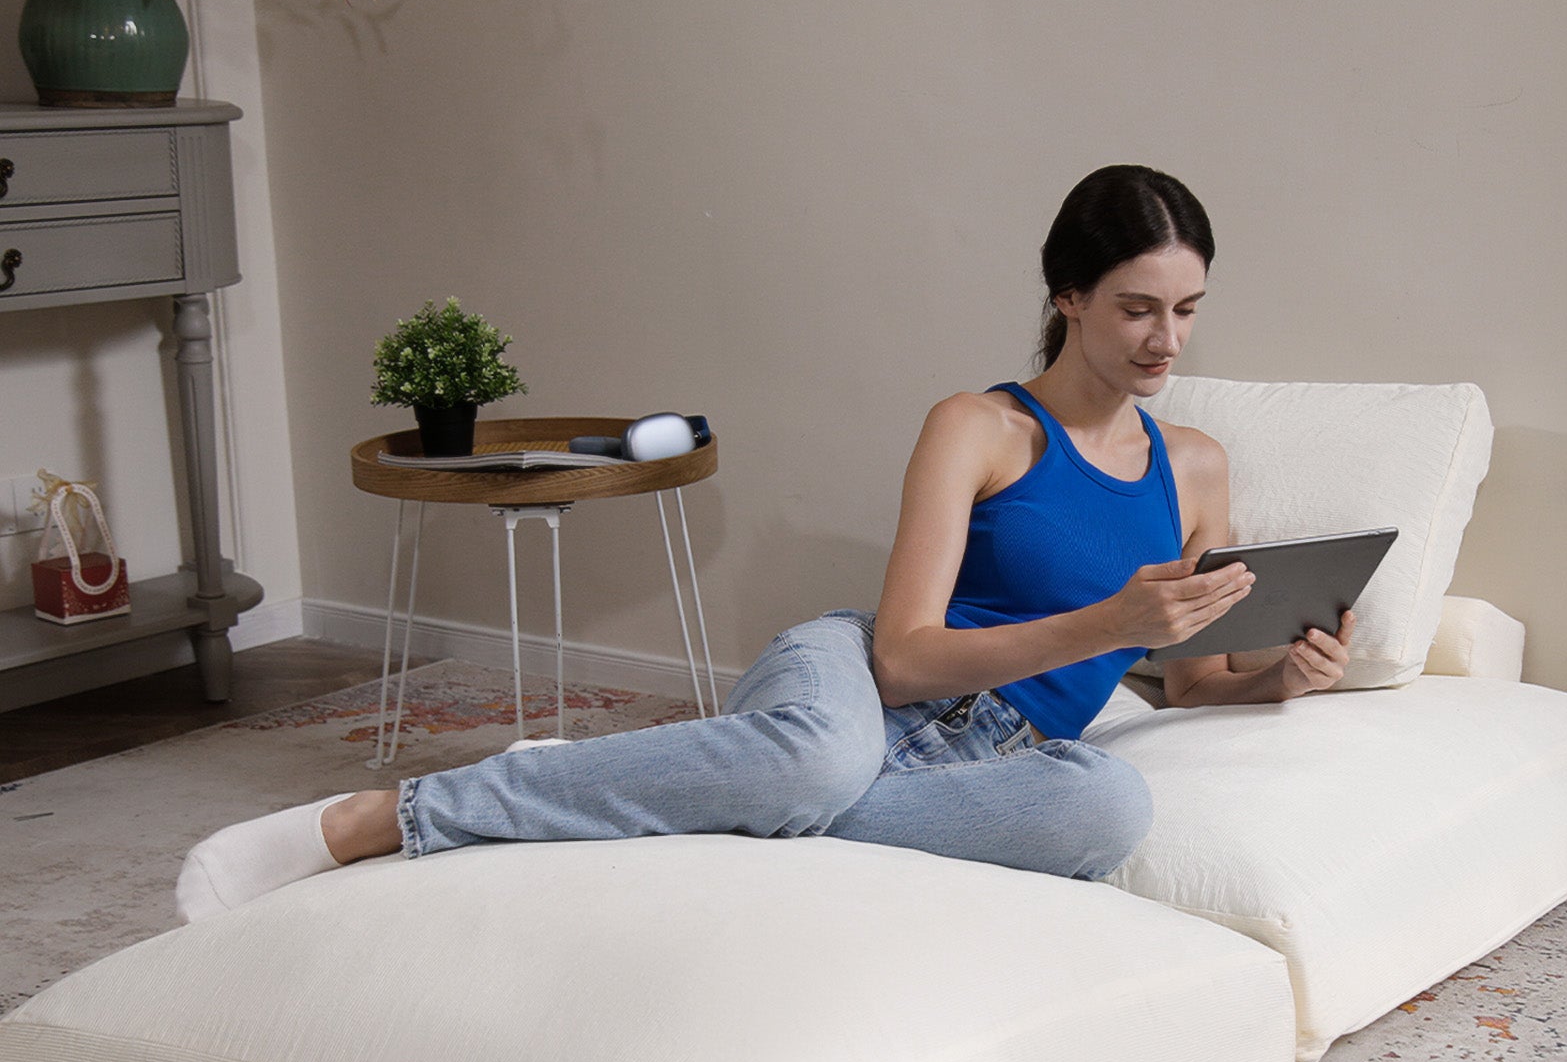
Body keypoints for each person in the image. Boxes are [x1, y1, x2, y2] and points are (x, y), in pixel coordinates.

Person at [175, 164, 1354, 924]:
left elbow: (1192, 677)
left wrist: (1274, 681)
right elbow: (900, 657)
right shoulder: (979, 427)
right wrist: (1108, 626)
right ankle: (389, 815)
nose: (1167, 340)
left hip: (991, 755)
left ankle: (659, 784)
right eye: (1138, 307)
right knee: (810, 761)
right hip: (847, 685)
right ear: (1067, 296)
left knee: (1105, 808)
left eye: (1187, 309)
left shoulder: (1193, 465)